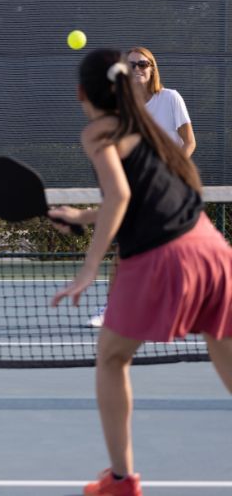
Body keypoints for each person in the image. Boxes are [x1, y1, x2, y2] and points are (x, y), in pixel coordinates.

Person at [49, 49, 232, 496]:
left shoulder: (99, 132)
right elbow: (138, 193)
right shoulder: (149, 128)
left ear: (80, 93)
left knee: (112, 357)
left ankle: (120, 481)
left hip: (161, 258)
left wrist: (89, 266)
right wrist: (81, 216)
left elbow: (120, 197)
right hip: (212, 250)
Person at [87, 46, 196, 328]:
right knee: (125, 249)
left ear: (152, 68)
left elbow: (189, 141)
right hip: (138, 188)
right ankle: (112, 308)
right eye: (132, 65)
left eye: (143, 64)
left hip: (169, 188)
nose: (138, 69)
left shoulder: (170, 98)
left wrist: (172, 172)